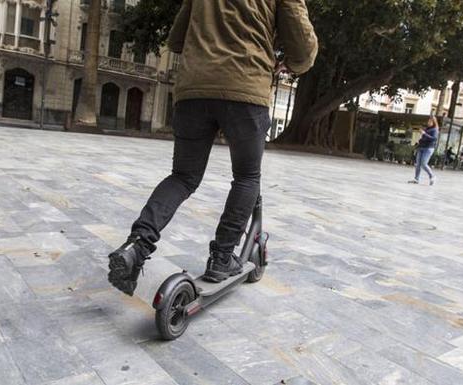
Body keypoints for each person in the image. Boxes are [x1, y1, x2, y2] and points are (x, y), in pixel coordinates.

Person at [107, 0, 318, 295]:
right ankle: (222, 258)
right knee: (246, 177)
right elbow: (304, 50)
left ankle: (136, 245)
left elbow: (177, 40)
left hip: (193, 91)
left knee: (182, 176)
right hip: (246, 90)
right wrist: (287, 63)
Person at [409, 116, 439, 185]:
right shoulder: (427, 129)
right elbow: (424, 138)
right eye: (428, 121)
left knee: (424, 164)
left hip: (428, 148)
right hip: (421, 147)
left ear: (434, 122)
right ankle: (416, 179)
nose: (428, 122)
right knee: (418, 164)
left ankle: (432, 176)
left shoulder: (435, 130)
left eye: (430, 121)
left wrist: (424, 134)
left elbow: (434, 139)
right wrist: (420, 140)